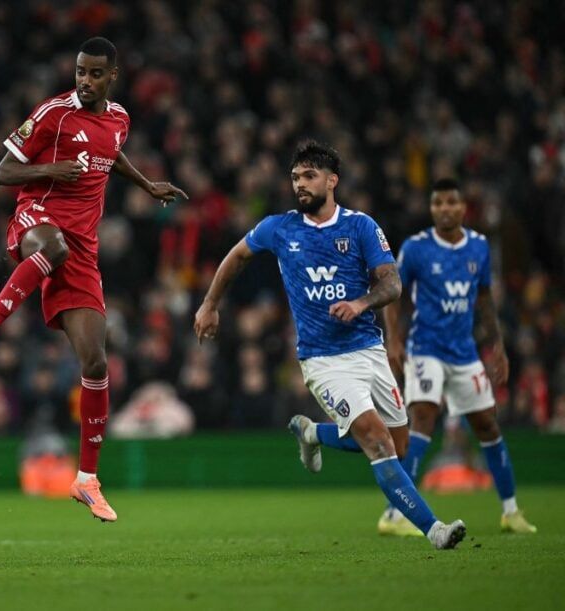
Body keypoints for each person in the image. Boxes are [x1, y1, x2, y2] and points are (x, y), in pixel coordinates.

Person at [0, 37, 186, 522]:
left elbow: (111, 154)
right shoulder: (53, 114)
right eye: (81, 71)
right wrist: (51, 169)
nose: (85, 80)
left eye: (95, 73)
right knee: (53, 247)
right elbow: (2, 172)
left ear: (112, 76)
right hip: (37, 218)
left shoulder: (120, 119)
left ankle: (87, 479)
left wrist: (147, 184)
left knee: (96, 362)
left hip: (84, 248)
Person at [194, 140, 467, 550]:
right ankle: (435, 531)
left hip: (368, 350)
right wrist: (210, 304)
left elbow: (392, 283)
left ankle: (314, 434)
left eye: (309, 176)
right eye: (295, 178)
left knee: (399, 445)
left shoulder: (360, 227)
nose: (299, 185)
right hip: (323, 360)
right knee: (377, 441)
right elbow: (237, 256)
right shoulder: (279, 228)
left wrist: (361, 303)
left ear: (332, 180)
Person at [377, 178, 536, 536]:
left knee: (487, 425)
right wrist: (394, 340)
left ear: (463, 207)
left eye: (451, 202)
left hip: (464, 352)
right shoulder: (416, 248)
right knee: (422, 419)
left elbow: (485, 297)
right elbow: (393, 293)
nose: (444, 209)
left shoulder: (478, 246)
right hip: (426, 348)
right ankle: (394, 514)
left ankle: (511, 511)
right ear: (431, 208)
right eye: (438, 203)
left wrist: (498, 344)